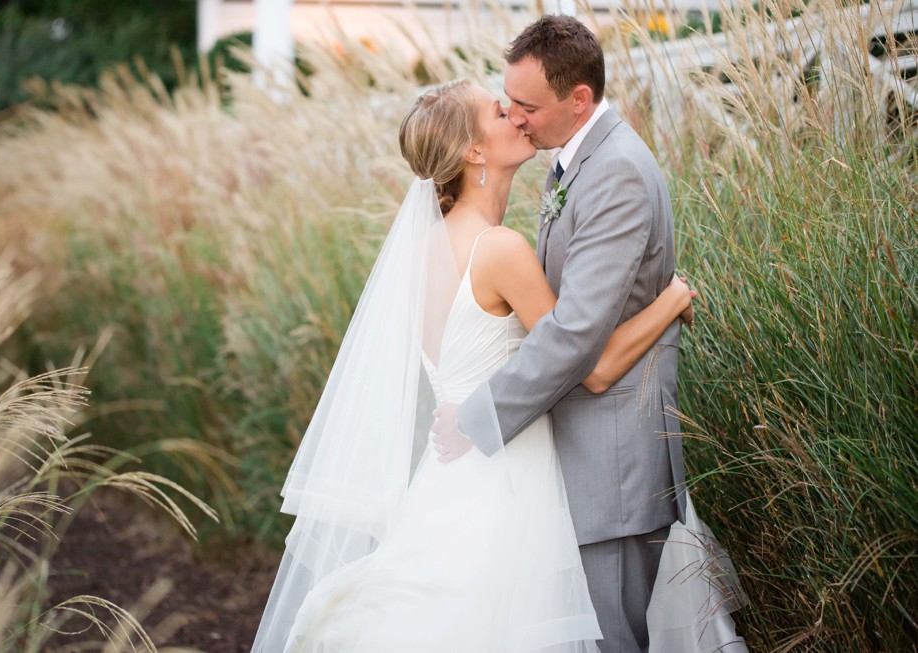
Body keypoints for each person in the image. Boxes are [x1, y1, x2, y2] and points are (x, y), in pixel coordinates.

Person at [249, 78, 697, 653]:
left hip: (449, 477)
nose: (514, 113)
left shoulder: (424, 249)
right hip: (507, 480)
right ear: (474, 151)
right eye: (497, 110)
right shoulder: (499, 250)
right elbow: (596, 365)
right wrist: (672, 299)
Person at [431, 15, 747, 653]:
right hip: (581, 460)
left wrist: (478, 416)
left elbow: (574, 334)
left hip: (616, 468)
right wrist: (667, 301)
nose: (515, 118)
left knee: (614, 641)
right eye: (508, 103)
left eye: (526, 107)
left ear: (579, 100)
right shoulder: (573, 162)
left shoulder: (616, 171)